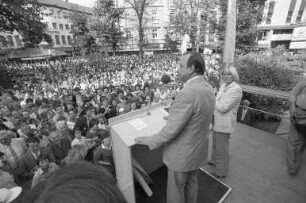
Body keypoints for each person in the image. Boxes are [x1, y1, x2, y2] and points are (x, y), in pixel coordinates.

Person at [135, 52, 215, 203]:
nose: (177, 70)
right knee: (192, 182)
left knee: (176, 190)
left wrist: (148, 140)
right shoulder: (208, 88)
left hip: (182, 155)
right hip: (197, 150)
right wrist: (174, 115)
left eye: (180, 66)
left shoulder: (188, 92)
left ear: (191, 68)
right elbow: (198, 114)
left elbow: (170, 131)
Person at [23, 161, 127, 203]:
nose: (44, 163)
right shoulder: (37, 177)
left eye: (45, 161)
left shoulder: (54, 167)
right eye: (42, 162)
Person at [211, 66, 242, 179]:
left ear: (234, 76)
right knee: (215, 144)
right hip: (217, 119)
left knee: (222, 148)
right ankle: (214, 161)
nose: (225, 76)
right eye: (224, 74)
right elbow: (218, 101)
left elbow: (224, 107)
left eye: (228, 74)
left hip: (225, 123)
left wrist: (212, 100)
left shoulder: (236, 89)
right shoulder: (223, 85)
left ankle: (220, 171)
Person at [287, 71, 306, 175]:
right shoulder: (305, 80)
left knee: (303, 141)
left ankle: (297, 159)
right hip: (299, 113)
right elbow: (293, 93)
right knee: (294, 141)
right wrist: (292, 107)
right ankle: (292, 167)